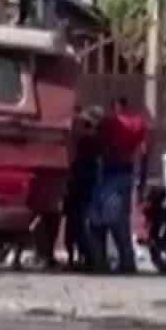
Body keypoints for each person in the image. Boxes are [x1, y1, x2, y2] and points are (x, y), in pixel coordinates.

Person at [93, 96, 149, 274]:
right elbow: (143, 150)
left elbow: (98, 146)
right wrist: (142, 178)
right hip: (127, 173)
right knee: (121, 220)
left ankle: (103, 261)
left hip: (109, 174)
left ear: (114, 106)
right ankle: (126, 260)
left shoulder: (109, 123)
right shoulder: (137, 122)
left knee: (98, 220)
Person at [62, 111, 101, 270]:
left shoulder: (83, 142)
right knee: (78, 224)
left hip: (77, 187)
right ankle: (82, 258)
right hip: (83, 188)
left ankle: (79, 258)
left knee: (74, 225)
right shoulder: (93, 144)